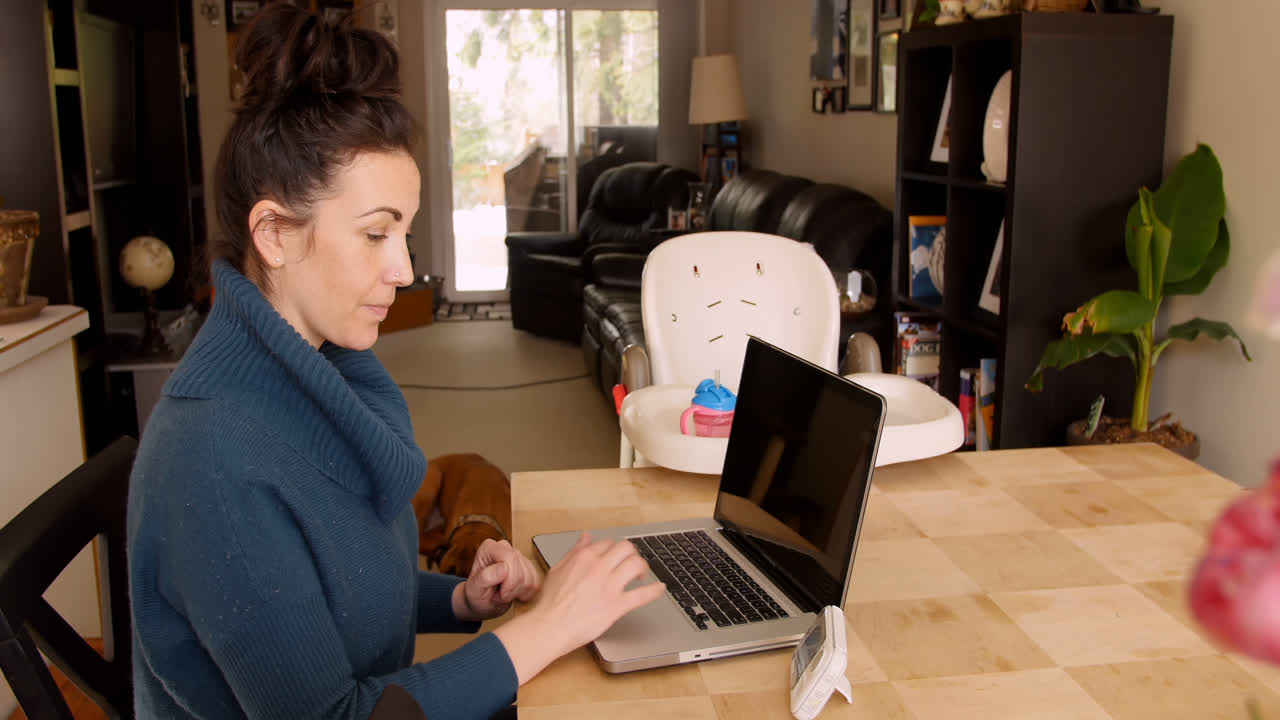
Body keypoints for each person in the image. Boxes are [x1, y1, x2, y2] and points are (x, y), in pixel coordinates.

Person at [126, 5, 664, 719]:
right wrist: (547, 630)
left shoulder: (324, 375)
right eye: (376, 234)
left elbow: (334, 593)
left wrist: (462, 598)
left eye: (403, 234)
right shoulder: (215, 460)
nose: (405, 270)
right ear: (275, 234)